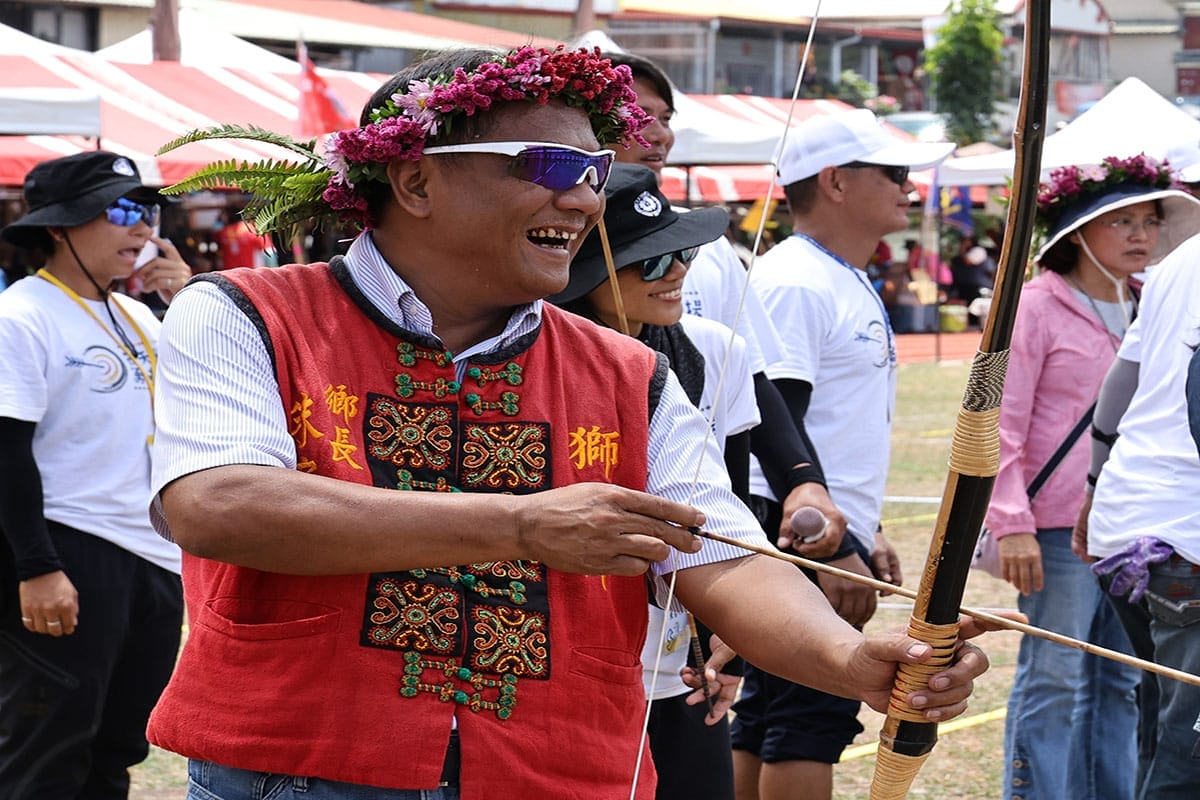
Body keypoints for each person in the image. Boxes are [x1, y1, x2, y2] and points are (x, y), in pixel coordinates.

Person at [146, 46, 997, 800]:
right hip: (303, 770)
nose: (586, 197)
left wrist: (852, 664)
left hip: (555, 769)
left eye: (595, 169)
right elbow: (218, 504)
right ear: (414, 182)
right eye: (549, 162)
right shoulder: (245, 311)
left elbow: (725, 556)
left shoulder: (631, 371)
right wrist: (521, 523)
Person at [738, 108, 955, 800]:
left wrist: (869, 527)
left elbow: (830, 424)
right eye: (893, 173)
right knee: (810, 716)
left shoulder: (836, 274)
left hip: (827, 528)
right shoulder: (797, 278)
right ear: (834, 182)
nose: (909, 186)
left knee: (772, 714)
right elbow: (777, 432)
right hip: (801, 530)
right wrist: (833, 547)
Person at [985, 154, 1200, 800]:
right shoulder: (1035, 306)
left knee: (1123, 684)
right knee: (1053, 678)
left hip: (1114, 522)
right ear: (1077, 234)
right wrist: (1011, 520)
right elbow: (998, 417)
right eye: (1122, 221)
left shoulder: (1152, 294)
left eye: (1149, 220)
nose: (1141, 234)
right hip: (1054, 525)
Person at [549, 162, 757, 799]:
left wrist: (734, 633)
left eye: (681, 251)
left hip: (685, 657)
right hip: (575, 655)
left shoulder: (716, 349)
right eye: (648, 261)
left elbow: (736, 507)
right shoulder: (538, 364)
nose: (676, 274)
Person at [604, 50, 849, 564]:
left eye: (665, 119)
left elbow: (750, 380)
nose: (658, 135)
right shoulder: (539, 252)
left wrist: (804, 482)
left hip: (703, 525)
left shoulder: (710, 248)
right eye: (634, 118)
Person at [0, 150, 192, 799]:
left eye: (146, 211)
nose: (141, 229)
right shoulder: (20, 314)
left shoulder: (142, 316)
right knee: (46, 751)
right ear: (60, 227)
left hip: (153, 555)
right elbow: (5, 450)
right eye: (120, 211)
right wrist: (35, 566)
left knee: (118, 748)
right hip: (67, 550)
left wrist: (186, 300)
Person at [1074, 231, 1200, 800]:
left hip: (1128, 519)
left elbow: (1119, 385)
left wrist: (1096, 489)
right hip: (1184, 539)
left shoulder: (1181, 259)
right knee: (1185, 759)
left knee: (1163, 732)